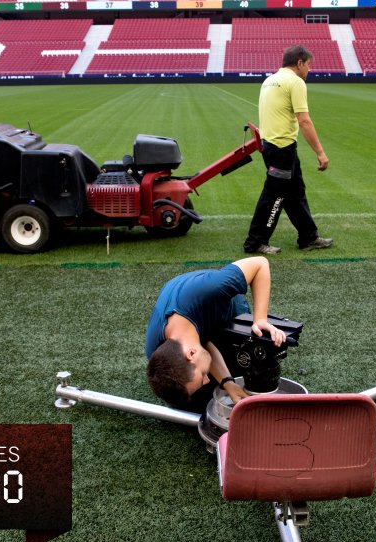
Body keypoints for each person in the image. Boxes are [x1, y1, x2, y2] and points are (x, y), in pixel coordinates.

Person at [145, 257, 286, 412]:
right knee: (191, 401)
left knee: (247, 364)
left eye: (203, 375)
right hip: (194, 318)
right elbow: (202, 343)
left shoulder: (210, 290)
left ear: (191, 353)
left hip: (224, 310)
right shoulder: (156, 350)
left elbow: (259, 263)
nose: (206, 380)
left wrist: (260, 319)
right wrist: (228, 383)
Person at [243, 45, 333, 255]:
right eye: (308, 65)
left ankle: (308, 237)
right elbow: (304, 121)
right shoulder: (295, 82)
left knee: (295, 193)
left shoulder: (270, 80)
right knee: (274, 196)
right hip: (282, 149)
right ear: (299, 63)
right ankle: (255, 242)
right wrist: (320, 152)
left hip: (273, 146)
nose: (309, 69)